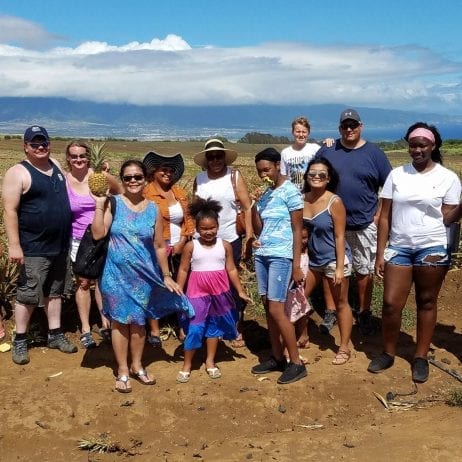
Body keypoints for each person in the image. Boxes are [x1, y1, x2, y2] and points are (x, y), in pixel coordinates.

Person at [367, 123, 461, 383]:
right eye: (413, 144)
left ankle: (420, 356)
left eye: (422, 144)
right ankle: (388, 351)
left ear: (433, 146)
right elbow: (384, 217)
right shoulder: (397, 175)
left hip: (432, 246)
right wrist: (380, 253)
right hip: (399, 247)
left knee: (427, 301)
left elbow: (448, 218)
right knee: (390, 303)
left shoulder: (448, 178)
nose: (417, 149)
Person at [91, 160, 194, 393]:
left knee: (138, 323)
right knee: (119, 322)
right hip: (115, 275)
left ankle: (137, 366)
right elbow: (98, 234)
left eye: (137, 177)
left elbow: (159, 245)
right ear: (122, 180)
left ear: (145, 179)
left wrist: (166, 275)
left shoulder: (153, 209)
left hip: (143, 276)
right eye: (128, 178)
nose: (133, 181)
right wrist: (99, 205)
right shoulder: (113, 203)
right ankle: (122, 370)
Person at [2, 125, 77, 365]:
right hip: (34, 246)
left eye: (43, 142)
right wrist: (15, 245)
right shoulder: (18, 172)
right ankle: (21, 339)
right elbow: (10, 211)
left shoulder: (55, 166)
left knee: (55, 291)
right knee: (28, 294)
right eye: (34, 143)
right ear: (26, 147)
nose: (40, 147)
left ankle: (54, 334)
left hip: (60, 244)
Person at [316, 108, 392, 335]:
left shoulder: (374, 154)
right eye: (344, 126)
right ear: (339, 129)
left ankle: (364, 311)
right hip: (331, 223)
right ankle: (331, 311)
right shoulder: (328, 150)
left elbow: (389, 187)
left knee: (364, 270)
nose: (349, 129)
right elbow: (314, 176)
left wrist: (379, 213)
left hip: (363, 223)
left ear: (361, 126)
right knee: (330, 268)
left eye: (353, 125)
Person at [175, 198, 251, 383]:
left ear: (218, 225)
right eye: (204, 229)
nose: (208, 232)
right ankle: (187, 364)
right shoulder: (191, 246)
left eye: (212, 228)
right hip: (196, 293)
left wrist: (239, 291)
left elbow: (231, 269)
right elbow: (183, 269)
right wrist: (178, 289)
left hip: (220, 292)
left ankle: (210, 361)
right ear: (197, 228)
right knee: (195, 327)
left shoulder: (224, 245)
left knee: (214, 329)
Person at [250, 147, 307, 385]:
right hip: (262, 254)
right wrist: (253, 205)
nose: (264, 174)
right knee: (267, 306)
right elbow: (258, 226)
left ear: (277, 166)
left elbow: (297, 229)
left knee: (276, 309)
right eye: (260, 171)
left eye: (267, 169)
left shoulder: (290, 192)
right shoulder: (265, 194)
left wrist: (296, 264)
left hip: (281, 257)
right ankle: (276, 357)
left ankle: (296, 362)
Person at [193, 139, 253, 347]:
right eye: (211, 157)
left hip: (230, 237)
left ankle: (236, 326)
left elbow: (247, 207)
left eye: (219, 156)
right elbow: (195, 211)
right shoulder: (199, 179)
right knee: (207, 283)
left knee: (231, 281)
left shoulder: (234, 176)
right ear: (206, 160)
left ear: (224, 158)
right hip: (203, 241)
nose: (215, 160)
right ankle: (212, 326)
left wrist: (250, 236)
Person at [65, 140, 121, 349]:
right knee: (83, 283)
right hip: (79, 238)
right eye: (74, 156)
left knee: (102, 281)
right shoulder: (64, 180)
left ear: (88, 157)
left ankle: (105, 322)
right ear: (68, 159)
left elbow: (121, 193)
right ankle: (86, 328)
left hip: (104, 235)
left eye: (82, 155)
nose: (78, 159)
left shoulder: (100, 177)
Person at [302, 158, 354, 364]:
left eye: (321, 174)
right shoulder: (302, 199)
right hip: (312, 260)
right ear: (307, 176)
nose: (316, 177)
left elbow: (340, 236)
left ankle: (343, 347)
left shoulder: (335, 202)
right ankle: (303, 334)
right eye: (312, 173)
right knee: (298, 296)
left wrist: (340, 267)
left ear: (328, 178)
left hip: (334, 259)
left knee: (341, 303)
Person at [143, 151, 195, 347]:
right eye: (163, 169)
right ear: (154, 171)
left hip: (179, 247)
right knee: (155, 286)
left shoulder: (179, 192)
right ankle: (154, 330)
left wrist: (182, 240)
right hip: (157, 247)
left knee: (182, 286)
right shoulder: (147, 193)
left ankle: (182, 325)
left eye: (171, 170)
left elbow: (188, 219)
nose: (167, 173)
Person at [283, 226, 312, 350]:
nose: (302, 241)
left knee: (303, 312)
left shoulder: (307, 253)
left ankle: (303, 337)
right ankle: (290, 340)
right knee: (291, 316)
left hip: (300, 289)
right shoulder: (290, 255)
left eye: (305, 238)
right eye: (299, 238)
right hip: (291, 290)